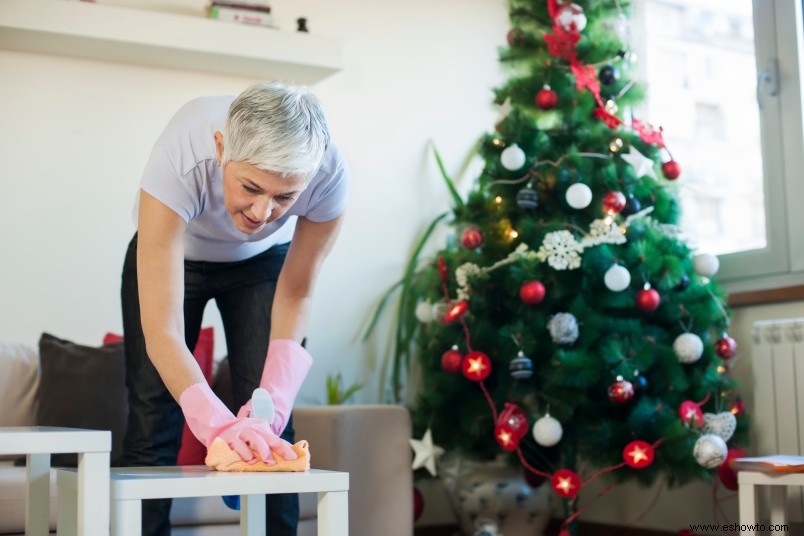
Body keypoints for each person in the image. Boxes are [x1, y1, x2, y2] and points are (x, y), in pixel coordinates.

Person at [120, 81, 348, 535]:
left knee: (272, 429)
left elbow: (298, 293)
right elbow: (162, 332)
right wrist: (217, 427)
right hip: (174, 256)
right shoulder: (183, 152)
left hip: (260, 267)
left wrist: (273, 408)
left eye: (285, 198)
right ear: (221, 148)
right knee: (152, 418)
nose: (263, 213)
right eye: (251, 187)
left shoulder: (329, 176)